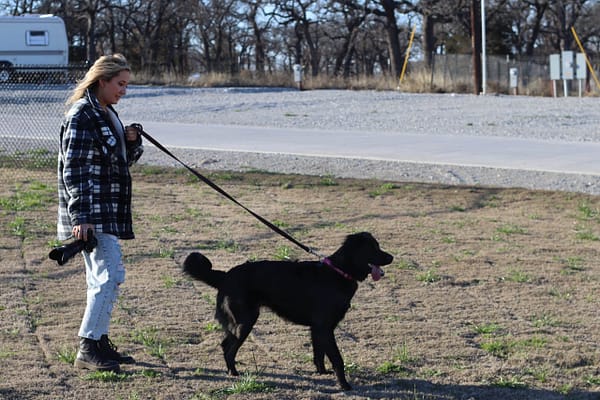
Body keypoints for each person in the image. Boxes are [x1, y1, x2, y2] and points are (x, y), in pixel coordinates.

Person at [57, 54, 144, 372]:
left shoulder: (107, 113)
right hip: (92, 213)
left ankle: (98, 340)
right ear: (101, 81)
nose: (124, 90)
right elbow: (75, 169)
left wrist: (131, 141)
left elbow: (117, 162)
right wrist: (81, 217)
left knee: (105, 277)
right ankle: (88, 347)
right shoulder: (83, 115)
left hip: (107, 210)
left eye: (126, 84)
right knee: (109, 276)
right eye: (120, 84)